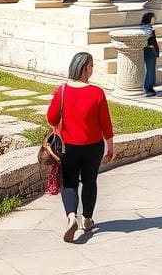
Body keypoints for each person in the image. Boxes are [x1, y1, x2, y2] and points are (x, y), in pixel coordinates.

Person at [46, 51, 115, 242]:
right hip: (93, 147)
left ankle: (71, 217)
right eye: (92, 66)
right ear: (86, 68)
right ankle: (87, 219)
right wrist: (110, 146)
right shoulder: (97, 92)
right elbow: (105, 123)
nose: (92, 69)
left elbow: (51, 118)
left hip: (69, 146)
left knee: (69, 182)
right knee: (90, 181)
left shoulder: (62, 91)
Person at [141, 12, 160, 96]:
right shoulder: (150, 30)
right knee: (150, 71)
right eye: (153, 18)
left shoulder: (141, 28)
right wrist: (157, 51)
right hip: (150, 50)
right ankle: (149, 88)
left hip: (142, 50)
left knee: (146, 70)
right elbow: (153, 42)